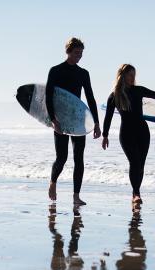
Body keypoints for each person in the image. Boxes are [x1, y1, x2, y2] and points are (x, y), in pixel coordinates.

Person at [102, 64, 155, 204]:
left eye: (134, 75)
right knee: (134, 162)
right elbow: (108, 117)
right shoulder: (114, 96)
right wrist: (105, 136)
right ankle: (136, 193)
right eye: (130, 75)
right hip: (126, 133)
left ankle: (136, 192)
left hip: (142, 131)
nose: (132, 78)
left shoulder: (138, 90)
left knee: (140, 164)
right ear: (122, 76)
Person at [45, 37, 101, 205]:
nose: (79, 56)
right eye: (77, 52)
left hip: (77, 120)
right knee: (61, 157)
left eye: (81, 53)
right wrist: (53, 120)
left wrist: (96, 123)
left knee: (79, 158)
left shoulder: (83, 73)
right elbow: (48, 96)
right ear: (68, 51)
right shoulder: (55, 70)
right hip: (60, 120)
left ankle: (76, 196)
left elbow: (90, 98)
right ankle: (53, 182)